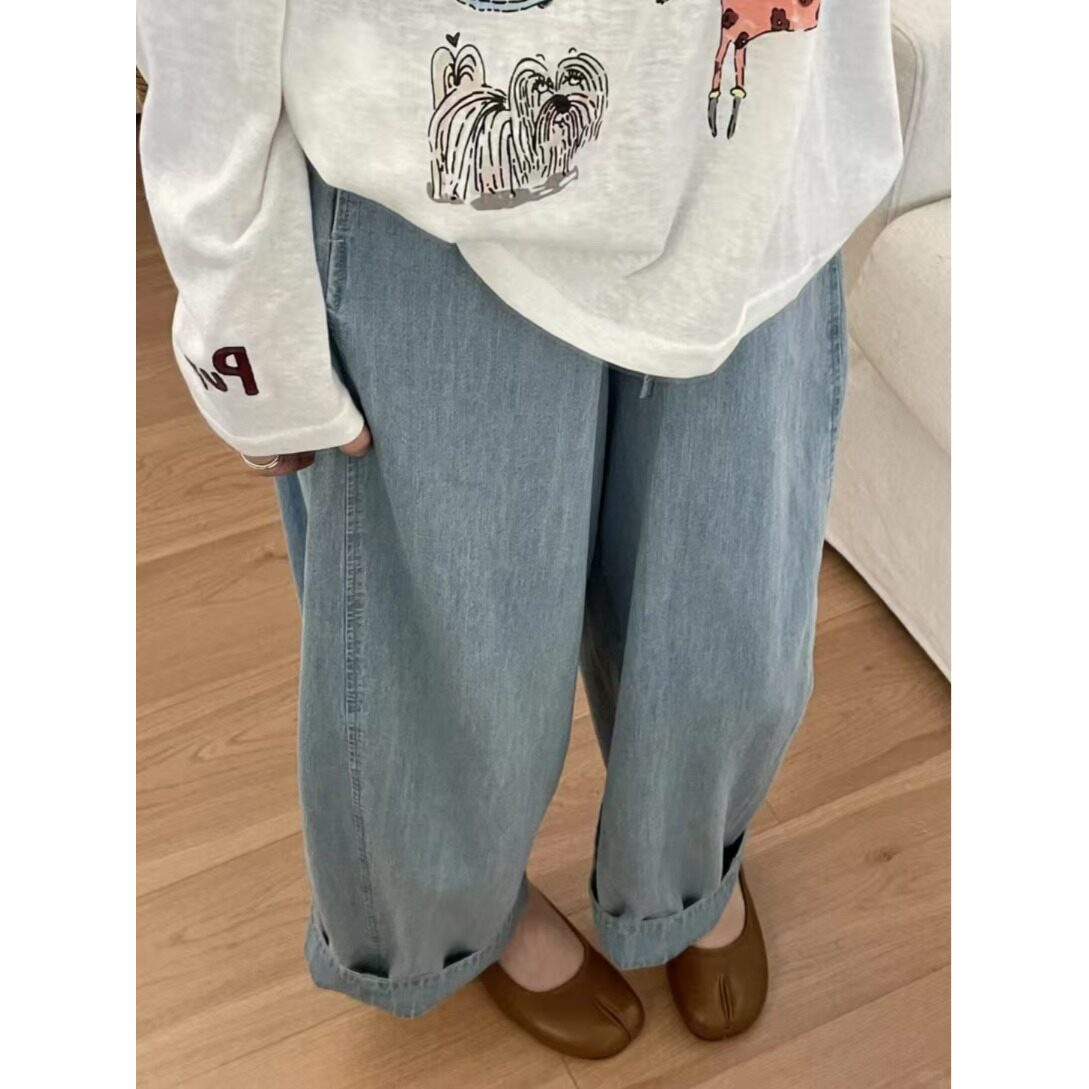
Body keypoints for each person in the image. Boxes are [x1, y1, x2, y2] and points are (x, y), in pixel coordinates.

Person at [137, 0, 901, 1059]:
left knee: (732, 617)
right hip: (431, 185)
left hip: (759, 155)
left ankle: (688, 871)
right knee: (448, 659)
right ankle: (469, 917)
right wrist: (232, 286)